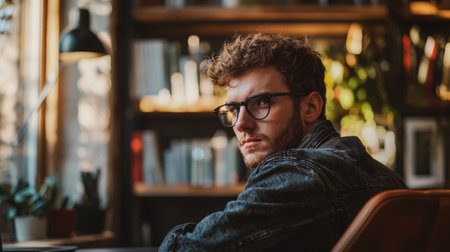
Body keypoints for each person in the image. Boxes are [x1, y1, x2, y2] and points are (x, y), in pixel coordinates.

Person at [159, 33, 407, 251]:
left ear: (310, 107)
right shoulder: (383, 177)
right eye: (233, 109)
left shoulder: (298, 173)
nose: (240, 124)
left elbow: (186, 249)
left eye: (263, 102)